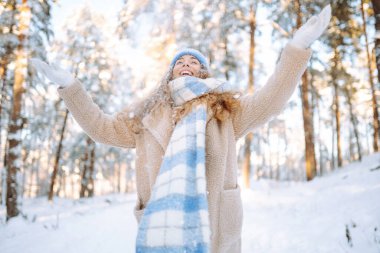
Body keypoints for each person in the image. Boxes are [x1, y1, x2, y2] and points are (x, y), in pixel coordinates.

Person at [31, 5, 331, 253]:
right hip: (164, 228)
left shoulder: (224, 112)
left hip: (215, 227)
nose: (186, 64)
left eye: (194, 62)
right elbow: (100, 128)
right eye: (180, 62)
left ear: (203, 72)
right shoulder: (145, 117)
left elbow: (271, 99)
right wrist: (70, 87)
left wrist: (295, 50)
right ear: (170, 73)